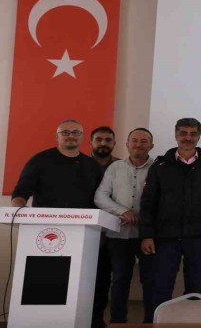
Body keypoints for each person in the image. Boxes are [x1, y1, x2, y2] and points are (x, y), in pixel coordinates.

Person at [11, 119, 105, 328]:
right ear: (57, 136)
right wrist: (19, 211)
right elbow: (20, 192)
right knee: (43, 285)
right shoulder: (40, 160)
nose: (71, 136)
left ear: (83, 137)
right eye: (65, 132)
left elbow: (100, 201)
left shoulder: (92, 166)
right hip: (42, 235)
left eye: (76, 132)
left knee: (76, 286)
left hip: (83, 237)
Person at [139, 118, 201, 309]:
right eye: (183, 133)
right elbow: (148, 202)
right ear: (176, 135)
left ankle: (191, 321)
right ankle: (156, 321)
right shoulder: (160, 165)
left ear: (199, 136)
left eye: (193, 134)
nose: (188, 138)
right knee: (161, 285)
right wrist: (146, 234)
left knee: (197, 287)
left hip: (200, 236)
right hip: (165, 236)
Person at [94, 127, 155, 324]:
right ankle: (118, 322)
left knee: (150, 281)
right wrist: (123, 211)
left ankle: (151, 322)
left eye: (144, 141)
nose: (139, 144)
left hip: (148, 235)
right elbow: (100, 196)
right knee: (120, 280)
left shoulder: (159, 168)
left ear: (151, 146)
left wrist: (145, 216)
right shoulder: (115, 168)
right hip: (119, 235)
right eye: (134, 140)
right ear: (127, 144)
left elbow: (165, 200)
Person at [88, 125, 118, 327]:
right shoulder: (79, 164)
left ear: (114, 143)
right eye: (99, 139)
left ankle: (96, 319)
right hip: (83, 230)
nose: (103, 143)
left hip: (111, 231)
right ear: (91, 142)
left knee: (103, 278)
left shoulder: (121, 166)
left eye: (108, 140)